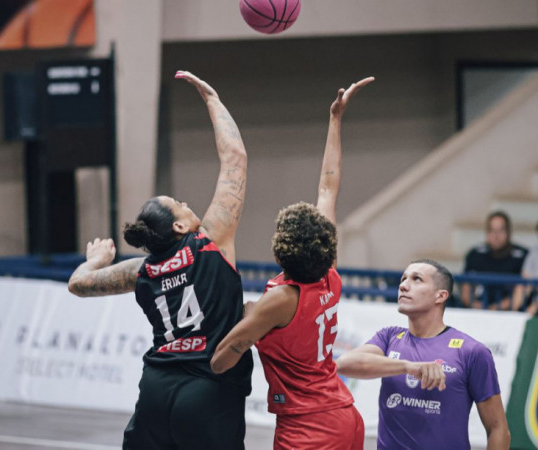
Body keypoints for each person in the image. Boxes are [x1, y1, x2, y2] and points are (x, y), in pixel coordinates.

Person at [68, 71, 253, 450]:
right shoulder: (211, 242)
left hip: (156, 392)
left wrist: (95, 259)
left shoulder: (142, 271)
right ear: (180, 225)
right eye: (178, 204)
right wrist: (212, 100)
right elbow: (235, 158)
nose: (185, 202)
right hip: (208, 392)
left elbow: (78, 284)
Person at [210, 76, 374, 450]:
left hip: (308, 426)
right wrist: (335, 120)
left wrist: (247, 317)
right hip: (345, 416)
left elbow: (220, 361)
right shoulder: (330, 274)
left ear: (279, 250)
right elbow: (328, 187)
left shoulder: (281, 299)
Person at [337, 259, 511, 450]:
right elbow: (344, 364)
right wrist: (408, 367)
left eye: (417, 279)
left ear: (440, 296)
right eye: (403, 279)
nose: (403, 286)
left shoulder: (471, 351)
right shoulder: (389, 337)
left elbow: (498, 429)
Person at [461, 210, 528, 309]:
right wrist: (475, 306)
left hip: (510, 313)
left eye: (501, 230)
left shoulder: (522, 256)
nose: (496, 236)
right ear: (486, 233)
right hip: (476, 311)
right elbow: (465, 290)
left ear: (509, 232)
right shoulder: (475, 254)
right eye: (491, 230)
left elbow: (525, 290)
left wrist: (496, 308)